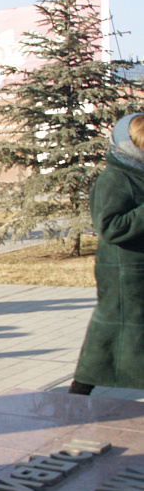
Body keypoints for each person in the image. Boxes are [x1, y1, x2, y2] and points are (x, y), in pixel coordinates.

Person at [70, 113, 144, 395]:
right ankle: (78, 394)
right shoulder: (115, 177)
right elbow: (110, 227)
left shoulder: (138, 172)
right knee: (109, 335)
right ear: (130, 145)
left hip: (137, 271)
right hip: (124, 275)